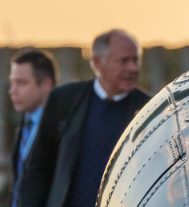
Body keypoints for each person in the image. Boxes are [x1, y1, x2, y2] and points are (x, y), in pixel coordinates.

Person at [18, 31, 149, 207]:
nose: (133, 68)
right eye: (124, 61)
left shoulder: (148, 109)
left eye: (136, 60)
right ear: (97, 63)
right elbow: (37, 168)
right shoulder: (64, 100)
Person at [7, 51, 57, 207]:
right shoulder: (25, 123)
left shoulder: (61, 128)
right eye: (12, 83)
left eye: (21, 83)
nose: (12, 91)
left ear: (46, 84)